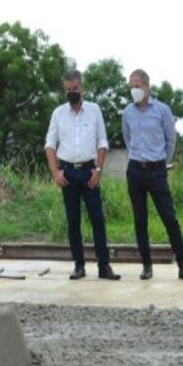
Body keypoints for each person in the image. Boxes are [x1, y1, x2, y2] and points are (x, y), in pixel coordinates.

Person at [121, 69, 183, 281]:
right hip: (135, 169)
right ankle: (146, 265)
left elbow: (170, 140)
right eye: (131, 86)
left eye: (138, 85)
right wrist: (138, 156)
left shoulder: (162, 110)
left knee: (170, 219)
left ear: (147, 86)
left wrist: (162, 162)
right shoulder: (127, 112)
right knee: (139, 220)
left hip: (157, 169)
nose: (134, 90)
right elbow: (128, 139)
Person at [45, 69, 120, 281]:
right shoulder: (58, 114)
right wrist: (55, 172)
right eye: (68, 89)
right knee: (73, 221)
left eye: (75, 88)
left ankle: (104, 266)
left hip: (89, 171)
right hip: (67, 172)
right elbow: (50, 144)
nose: (72, 92)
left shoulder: (94, 110)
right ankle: (79, 265)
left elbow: (102, 142)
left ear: (82, 87)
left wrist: (98, 170)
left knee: (98, 219)